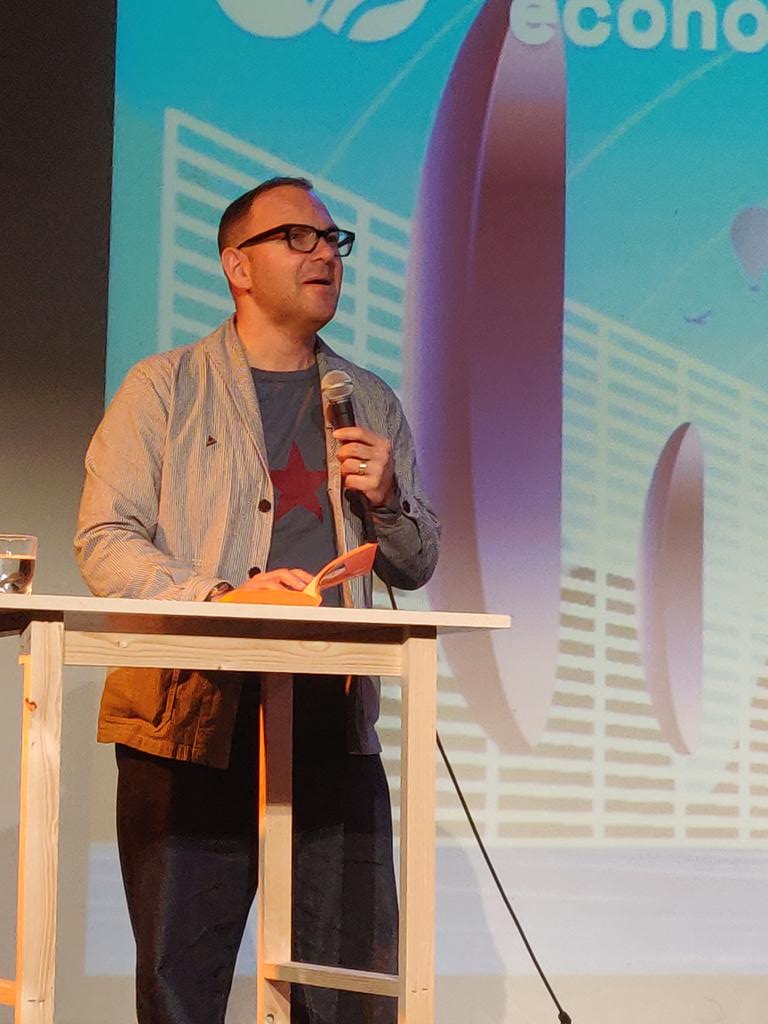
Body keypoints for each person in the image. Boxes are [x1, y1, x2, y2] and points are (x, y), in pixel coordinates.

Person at [74, 176, 439, 1024]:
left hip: (329, 722)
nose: (325, 255)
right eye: (298, 238)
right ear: (238, 266)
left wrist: (388, 499)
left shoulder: (368, 398)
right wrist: (223, 598)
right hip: (190, 721)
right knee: (181, 987)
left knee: (348, 991)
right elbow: (105, 538)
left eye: (333, 239)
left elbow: (417, 564)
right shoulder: (164, 388)